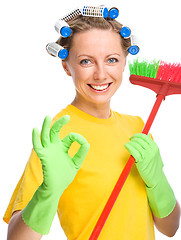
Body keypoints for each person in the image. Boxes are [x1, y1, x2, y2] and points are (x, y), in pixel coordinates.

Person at [3, 6, 180, 240]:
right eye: (86, 61)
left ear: (124, 62)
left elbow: (170, 228)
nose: (100, 74)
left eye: (112, 60)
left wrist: (157, 180)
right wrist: (48, 192)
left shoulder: (138, 128)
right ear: (66, 66)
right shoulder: (58, 134)